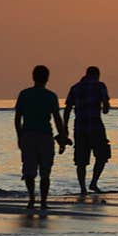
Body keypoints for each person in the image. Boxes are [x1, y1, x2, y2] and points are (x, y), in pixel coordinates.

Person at [14, 65, 67, 210]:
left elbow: (18, 118)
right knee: (45, 171)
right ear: (47, 78)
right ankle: (43, 201)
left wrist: (19, 136)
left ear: (33, 77)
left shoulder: (24, 94)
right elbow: (57, 119)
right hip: (45, 135)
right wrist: (62, 137)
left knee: (29, 170)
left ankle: (32, 199)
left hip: (28, 135)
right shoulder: (50, 96)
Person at [64, 66, 111, 195]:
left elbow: (67, 109)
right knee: (102, 156)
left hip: (80, 128)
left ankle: (83, 188)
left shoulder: (75, 88)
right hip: (96, 127)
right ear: (97, 75)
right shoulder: (100, 86)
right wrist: (104, 107)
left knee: (81, 161)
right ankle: (94, 182)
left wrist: (65, 128)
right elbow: (106, 108)